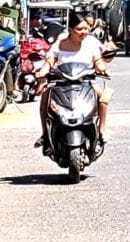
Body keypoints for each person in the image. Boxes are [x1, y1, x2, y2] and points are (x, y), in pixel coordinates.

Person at [35, 13, 113, 148]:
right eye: (80, 29)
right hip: (61, 83)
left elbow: (98, 61)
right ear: (71, 29)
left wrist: (103, 69)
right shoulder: (60, 44)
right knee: (45, 99)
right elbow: (50, 61)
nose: (84, 32)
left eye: (86, 29)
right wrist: (43, 71)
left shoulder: (91, 43)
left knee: (104, 97)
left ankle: (101, 130)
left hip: (86, 83)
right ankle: (45, 135)